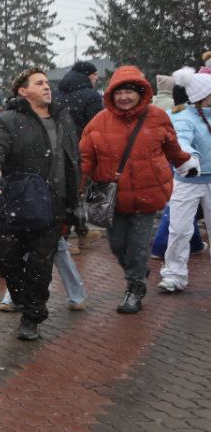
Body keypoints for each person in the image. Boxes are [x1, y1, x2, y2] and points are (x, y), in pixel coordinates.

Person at [0, 68, 81, 341]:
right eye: (39, 83)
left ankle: (32, 317)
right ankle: (26, 298)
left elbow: (73, 160)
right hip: (16, 200)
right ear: (23, 91)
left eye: (47, 82)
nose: (47, 86)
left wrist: (75, 201)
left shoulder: (63, 119)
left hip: (54, 205)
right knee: (1, 255)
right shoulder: (7, 120)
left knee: (40, 264)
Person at [79, 66, 190, 313]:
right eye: (119, 93)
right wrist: (77, 186)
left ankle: (135, 288)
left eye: (129, 92)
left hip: (147, 194)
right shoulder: (99, 121)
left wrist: (185, 162)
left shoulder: (158, 116)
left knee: (138, 246)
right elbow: (85, 158)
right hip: (113, 197)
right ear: (111, 94)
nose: (124, 97)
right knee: (117, 245)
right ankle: (137, 270)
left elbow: (172, 148)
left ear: (141, 93)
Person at [158, 67, 211, 294]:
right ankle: (174, 275)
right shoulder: (183, 117)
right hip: (188, 180)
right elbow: (181, 139)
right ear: (203, 95)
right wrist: (191, 158)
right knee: (179, 230)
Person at [56, 60, 104, 135]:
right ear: (86, 75)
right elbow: (97, 127)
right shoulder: (93, 97)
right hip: (84, 139)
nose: (97, 78)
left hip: (60, 140)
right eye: (94, 74)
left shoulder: (56, 94)